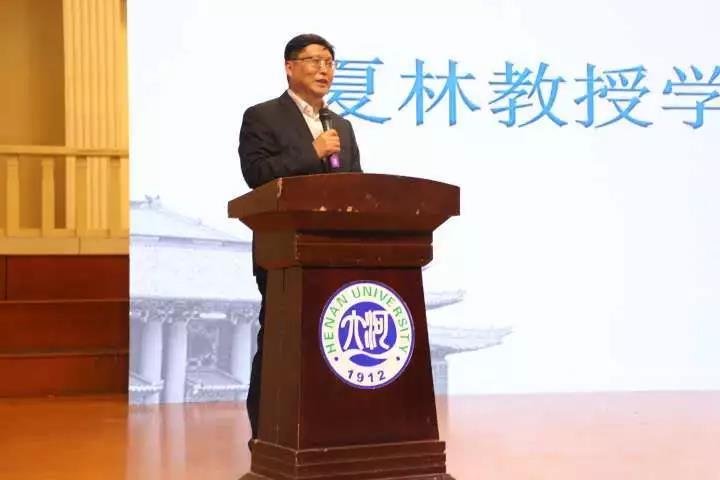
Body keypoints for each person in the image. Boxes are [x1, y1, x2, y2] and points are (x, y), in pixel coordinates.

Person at [237, 33, 362, 445]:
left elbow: (355, 187)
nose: (324, 69)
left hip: (335, 255)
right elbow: (256, 175)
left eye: (329, 61)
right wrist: (312, 151)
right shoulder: (262, 116)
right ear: (290, 67)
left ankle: (326, 432)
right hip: (285, 253)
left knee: (333, 345)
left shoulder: (341, 125)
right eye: (314, 60)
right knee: (280, 341)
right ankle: (267, 436)